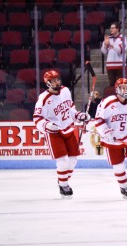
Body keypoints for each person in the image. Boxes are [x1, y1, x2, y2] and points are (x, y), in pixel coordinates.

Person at [33, 70, 91, 198]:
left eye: (58, 79)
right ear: (47, 83)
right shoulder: (43, 98)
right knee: (63, 160)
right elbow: (37, 118)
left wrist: (79, 115)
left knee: (73, 160)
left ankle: (62, 180)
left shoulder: (65, 90)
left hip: (69, 127)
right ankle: (64, 185)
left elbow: (70, 108)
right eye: (53, 80)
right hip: (54, 132)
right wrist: (47, 125)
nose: (57, 82)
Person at [94, 78, 127, 199]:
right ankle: (124, 187)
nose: (126, 90)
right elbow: (98, 120)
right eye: (123, 87)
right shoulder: (108, 102)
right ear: (117, 89)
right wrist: (106, 132)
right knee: (119, 165)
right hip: (112, 139)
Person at [101, 22, 127, 87]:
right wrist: (105, 44)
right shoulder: (108, 38)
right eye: (110, 28)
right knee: (112, 84)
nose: (111, 29)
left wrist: (110, 45)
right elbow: (104, 51)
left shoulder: (123, 38)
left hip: (120, 65)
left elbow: (121, 50)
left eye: (113, 28)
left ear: (117, 29)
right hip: (110, 65)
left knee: (121, 84)